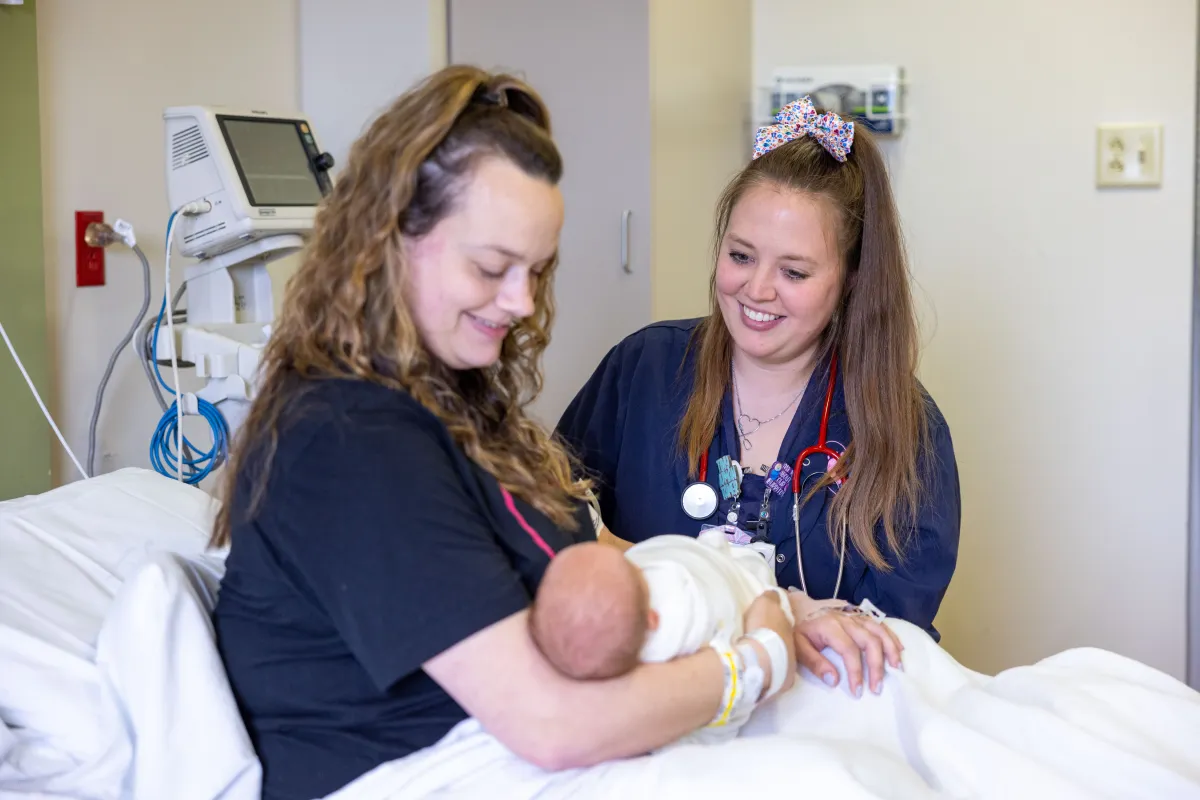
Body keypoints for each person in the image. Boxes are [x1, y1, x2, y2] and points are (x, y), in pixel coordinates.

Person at [209, 65, 796, 800]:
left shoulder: (449, 404)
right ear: (387, 238)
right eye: (493, 268)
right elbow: (551, 726)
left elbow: (597, 549)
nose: (520, 302)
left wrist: (782, 605)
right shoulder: (349, 440)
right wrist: (757, 662)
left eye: (536, 271)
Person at [556, 97, 961, 700]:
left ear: (851, 280)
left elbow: (892, 643)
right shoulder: (645, 370)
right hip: (647, 702)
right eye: (740, 256)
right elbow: (552, 524)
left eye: (794, 273)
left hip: (816, 722)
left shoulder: (903, 428)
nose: (757, 289)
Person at [530, 531, 799, 747]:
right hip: (736, 586)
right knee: (753, 580)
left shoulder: (591, 650)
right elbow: (720, 722)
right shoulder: (688, 619)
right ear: (653, 620)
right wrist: (767, 649)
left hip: (702, 558)